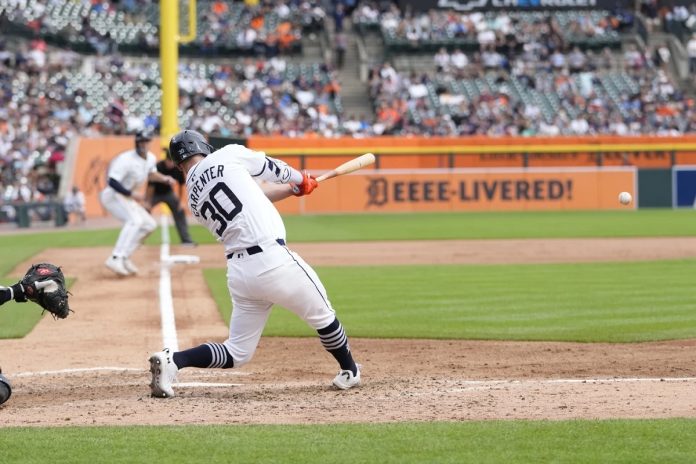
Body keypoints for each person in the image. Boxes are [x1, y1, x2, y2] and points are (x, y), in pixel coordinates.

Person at [148, 130, 361, 398]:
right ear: (202, 146)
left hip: (240, 274)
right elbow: (274, 168)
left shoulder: (192, 197)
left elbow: (252, 196)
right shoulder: (227, 155)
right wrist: (299, 179)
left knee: (237, 352)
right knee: (324, 317)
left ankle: (174, 361)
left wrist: (293, 189)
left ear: (179, 164)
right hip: (274, 260)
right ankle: (350, 371)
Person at [99, 131, 177, 276]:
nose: (143, 144)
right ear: (137, 143)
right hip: (114, 195)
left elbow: (151, 174)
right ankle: (115, 257)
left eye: (146, 141)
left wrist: (165, 178)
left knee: (149, 225)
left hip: (127, 197)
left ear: (149, 142)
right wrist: (132, 194)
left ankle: (125, 257)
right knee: (134, 221)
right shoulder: (126, 159)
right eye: (141, 141)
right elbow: (112, 181)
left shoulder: (151, 158)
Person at [146, 151, 196, 247]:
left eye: (172, 162)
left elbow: (182, 185)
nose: (171, 164)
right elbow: (150, 185)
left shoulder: (177, 168)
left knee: (180, 211)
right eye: (169, 161)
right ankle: (139, 241)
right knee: (144, 211)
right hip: (155, 194)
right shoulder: (158, 167)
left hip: (168, 193)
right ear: (165, 160)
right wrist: (147, 202)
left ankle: (186, 240)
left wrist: (181, 201)